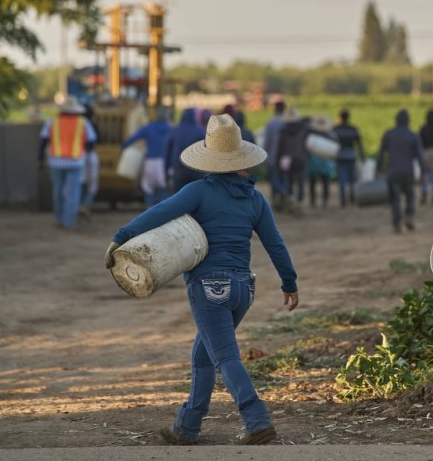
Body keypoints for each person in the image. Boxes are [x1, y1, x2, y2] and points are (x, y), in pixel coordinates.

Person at [104, 114, 299, 446]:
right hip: (243, 289)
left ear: (210, 157)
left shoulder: (198, 191)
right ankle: (187, 427)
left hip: (209, 287)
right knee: (203, 355)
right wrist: (289, 282)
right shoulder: (255, 198)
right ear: (242, 157)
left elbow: (158, 213)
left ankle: (257, 419)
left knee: (224, 356)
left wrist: (121, 237)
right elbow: (274, 243)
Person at [38, 97, 98, 229]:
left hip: (55, 162)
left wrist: (40, 159)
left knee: (58, 191)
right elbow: (92, 142)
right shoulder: (83, 122)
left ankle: (59, 218)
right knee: (72, 193)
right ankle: (69, 222)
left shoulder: (51, 122)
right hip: (76, 162)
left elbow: (43, 142)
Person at [376, 109, 425, 233]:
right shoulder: (413, 135)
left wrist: (378, 168)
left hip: (393, 172)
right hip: (408, 172)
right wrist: (423, 171)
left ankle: (397, 222)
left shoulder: (389, 134)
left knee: (395, 198)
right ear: (408, 121)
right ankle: (409, 216)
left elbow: (381, 153)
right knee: (409, 195)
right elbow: (420, 155)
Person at [122, 105, 173, 207]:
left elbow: (131, 140)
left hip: (150, 164)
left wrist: (123, 146)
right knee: (164, 196)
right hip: (165, 165)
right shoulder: (172, 129)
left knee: (148, 192)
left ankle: (150, 215)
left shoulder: (148, 128)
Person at [165, 107, 206, 193]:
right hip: (196, 171)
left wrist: (166, 173)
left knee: (179, 198)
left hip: (179, 169)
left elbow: (167, 154)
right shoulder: (201, 131)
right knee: (196, 198)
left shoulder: (175, 131)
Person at [276, 109, 311, 209]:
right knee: (301, 181)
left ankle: (291, 201)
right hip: (301, 158)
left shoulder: (283, 131)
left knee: (289, 181)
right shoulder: (303, 130)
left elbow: (280, 147)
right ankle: (299, 202)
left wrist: (278, 160)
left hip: (287, 160)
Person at [332, 108, 365, 207]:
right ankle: (352, 197)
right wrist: (362, 156)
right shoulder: (353, 129)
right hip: (351, 155)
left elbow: (331, 143)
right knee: (352, 178)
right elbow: (359, 144)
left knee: (342, 178)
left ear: (340, 118)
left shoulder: (336, 129)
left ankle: (343, 200)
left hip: (340, 156)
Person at [306, 115, 338, 208]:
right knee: (325, 182)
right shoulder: (329, 134)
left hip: (313, 162)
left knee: (312, 182)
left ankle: (313, 201)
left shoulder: (311, 134)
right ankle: (325, 200)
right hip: (325, 162)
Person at [262, 100, 288, 208]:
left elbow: (267, 140)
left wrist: (264, 153)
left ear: (275, 109)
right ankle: (283, 200)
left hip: (273, 154)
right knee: (283, 177)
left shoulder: (271, 123)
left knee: (274, 179)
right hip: (286, 156)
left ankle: (277, 198)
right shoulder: (288, 122)